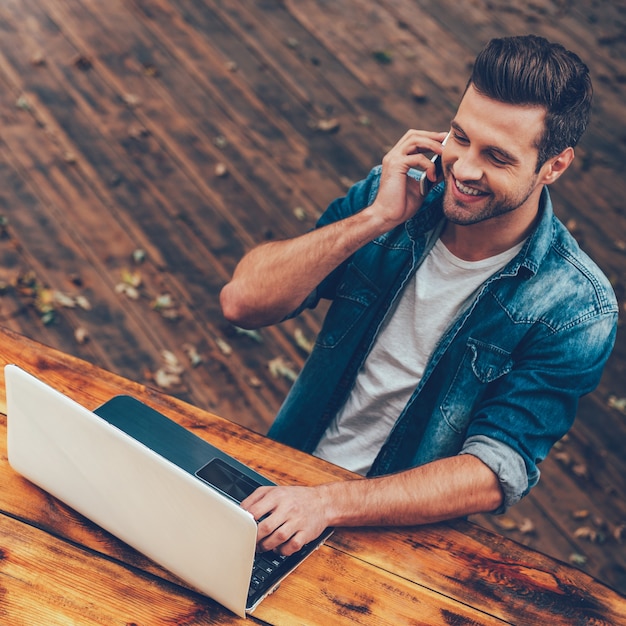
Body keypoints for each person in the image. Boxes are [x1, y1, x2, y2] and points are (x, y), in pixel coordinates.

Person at [219, 35, 618, 556]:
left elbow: (495, 469)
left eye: (497, 157)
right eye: (460, 136)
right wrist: (374, 218)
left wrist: (328, 503)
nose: (466, 169)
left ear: (554, 166)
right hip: (281, 486)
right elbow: (241, 302)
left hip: (396, 542)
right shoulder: (393, 197)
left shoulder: (575, 308)